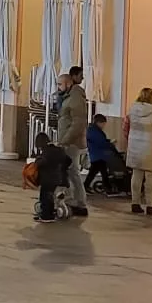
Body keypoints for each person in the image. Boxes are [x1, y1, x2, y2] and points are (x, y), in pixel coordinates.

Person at [122, 86, 152, 216]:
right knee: (150, 178)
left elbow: (125, 128)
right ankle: (150, 206)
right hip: (151, 148)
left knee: (136, 176)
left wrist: (130, 141)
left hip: (135, 147)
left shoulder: (131, 110)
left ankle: (135, 203)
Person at [54, 66, 90, 217]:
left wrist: (65, 140)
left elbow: (78, 123)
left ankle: (78, 202)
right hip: (67, 140)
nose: (58, 88)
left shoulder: (75, 98)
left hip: (71, 142)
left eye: (59, 85)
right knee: (70, 171)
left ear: (68, 83)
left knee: (72, 171)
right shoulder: (69, 96)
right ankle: (73, 200)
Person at [32, 131, 72, 222]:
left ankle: (46, 216)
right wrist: (62, 167)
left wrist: (36, 162)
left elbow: (42, 162)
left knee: (45, 197)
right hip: (58, 178)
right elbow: (69, 160)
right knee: (50, 196)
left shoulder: (46, 151)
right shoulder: (58, 150)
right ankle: (50, 213)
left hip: (48, 179)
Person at [86, 113, 119, 193]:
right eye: (103, 124)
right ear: (99, 122)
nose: (104, 126)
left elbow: (100, 141)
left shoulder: (92, 130)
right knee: (101, 172)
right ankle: (107, 187)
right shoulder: (95, 132)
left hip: (96, 154)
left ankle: (87, 185)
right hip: (98, 155)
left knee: (96, 172)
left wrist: (108, 142)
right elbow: (101, 143)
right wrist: (110, 144)